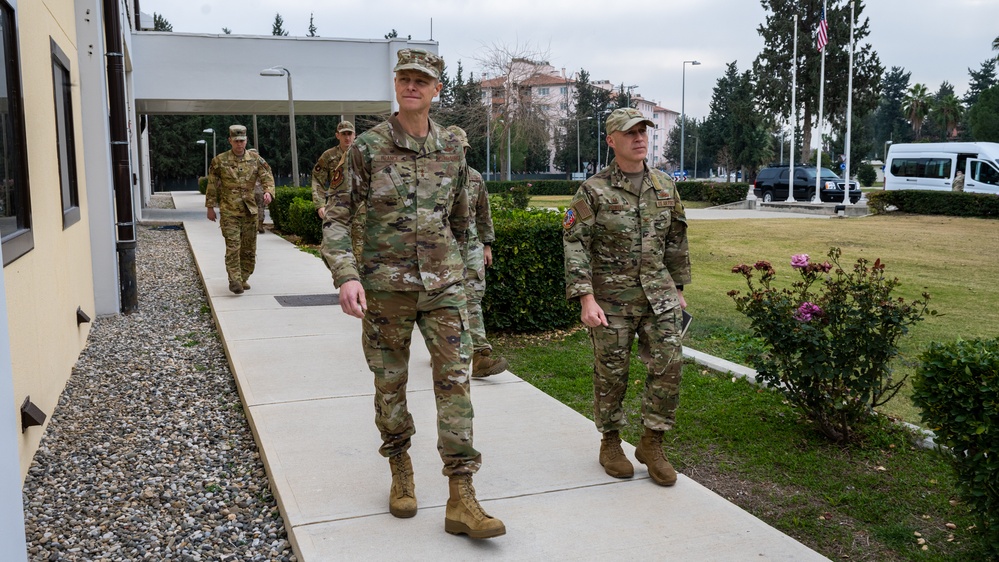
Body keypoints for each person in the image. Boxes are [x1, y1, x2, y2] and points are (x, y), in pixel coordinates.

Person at [320, 48, 505, 539]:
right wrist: (347, 275)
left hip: (444, 288)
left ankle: (461, 496)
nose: (411, 86)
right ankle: (400, 464)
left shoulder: (452, 148)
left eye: (421, 80)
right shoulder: (367, 147)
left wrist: (466, 279)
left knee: (455, 386)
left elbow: (463, 222)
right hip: (385, 291)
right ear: (396, 84)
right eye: (404, 78)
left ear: (436, 90)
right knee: (390, 386)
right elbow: (336, 216)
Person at [563, 107, 691, 487]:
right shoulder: (593, 190)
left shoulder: (665, 186)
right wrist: (586, 297)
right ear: (611, 140)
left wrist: (679, 290)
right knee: (612, 375)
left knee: (669, 369)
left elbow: (677, 240)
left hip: (660, 296)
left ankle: (652, 443)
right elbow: (575, 244)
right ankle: (610, 442)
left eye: (643, 131)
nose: (639, 138)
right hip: (612, 301)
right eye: (629, 132)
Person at [445, 125, 509, 378]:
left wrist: (487, 244)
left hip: (471, 248)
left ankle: (480, 356)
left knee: (472, 300)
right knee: (445, 303)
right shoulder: (434, 179)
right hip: (444, 250)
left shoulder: (475, 178)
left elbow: (484, 212)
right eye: (454, 148)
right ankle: (446, 348)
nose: (459, 153)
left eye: (463, 149)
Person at [206, 125, 275, 294]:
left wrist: (268, 192)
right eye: (236, 141)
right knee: (233, 246)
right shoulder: (219, 161)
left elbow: (267, 176)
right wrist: (210, 207)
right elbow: (212, 185)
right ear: (230, 140)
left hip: (250, 211)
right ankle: (234, 280)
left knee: (249, 248)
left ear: (246, 141)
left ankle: (244, 277)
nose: (239, 144)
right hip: (229, 211)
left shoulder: (256, 159)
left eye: (242, 141)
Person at [311, 120, 356, 218]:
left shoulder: (362, 154)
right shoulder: (328, 156)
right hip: (336, 207)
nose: (347, 137)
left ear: (354, 135)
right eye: (343, 134)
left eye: (349, 134)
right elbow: (317, 180)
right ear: (337, 135)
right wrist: (320, 205)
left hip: (359, 208)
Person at [249, 149, 267, 233]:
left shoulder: (246, 163)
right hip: (260, 189)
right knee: (260, 207)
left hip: (250, 190)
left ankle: (253, 225)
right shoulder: (262, 163)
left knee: (250, 208)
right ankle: (260, 225)